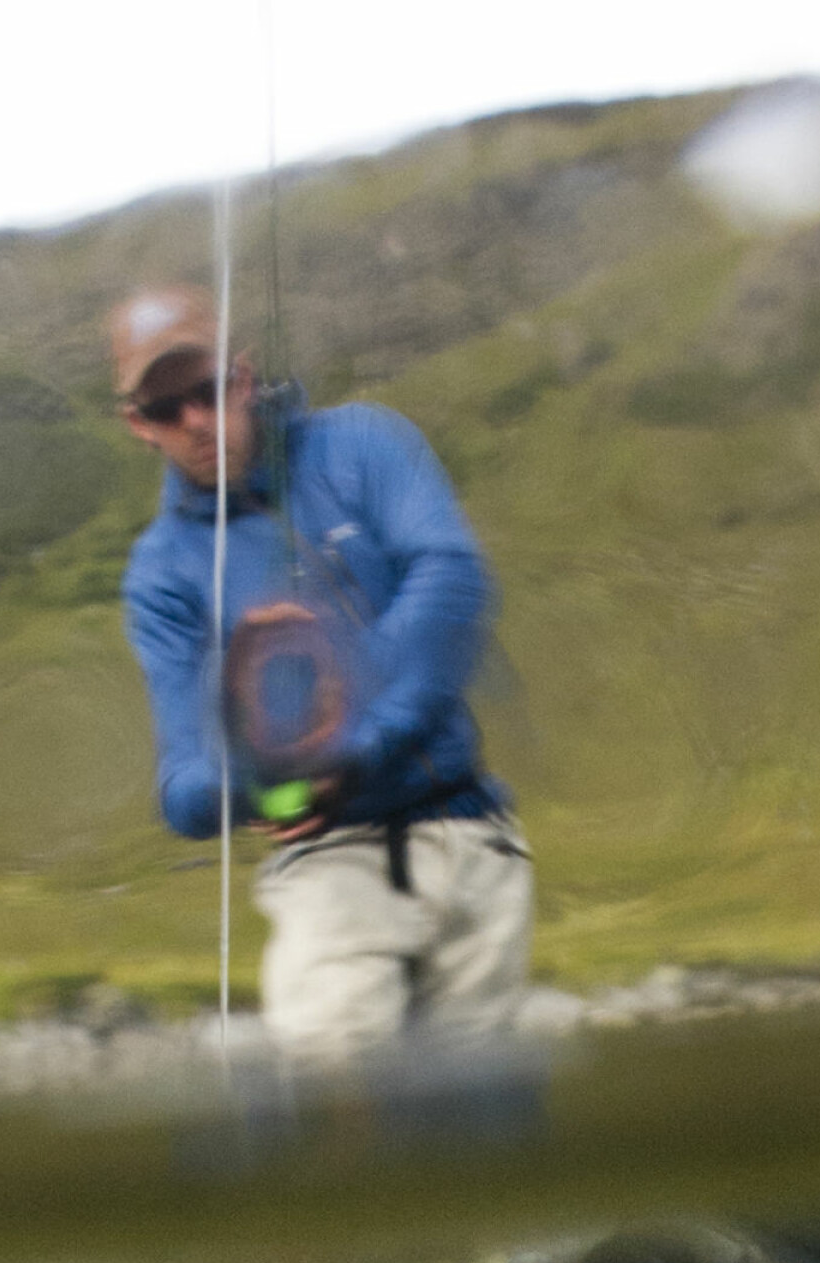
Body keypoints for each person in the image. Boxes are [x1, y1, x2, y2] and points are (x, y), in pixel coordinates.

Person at [110, 284, 534, 1065]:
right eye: (167, 409)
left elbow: (453, 583)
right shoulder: (159, 575)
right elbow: (183, 789)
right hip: (327, 874)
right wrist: (269, 773)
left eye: (206, 390)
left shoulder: (365, 444)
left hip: (475, 841)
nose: (196, 421)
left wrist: (350, 742)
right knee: (342, 1111)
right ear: (139, 424)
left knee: (486, 1139)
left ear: (242, 374)